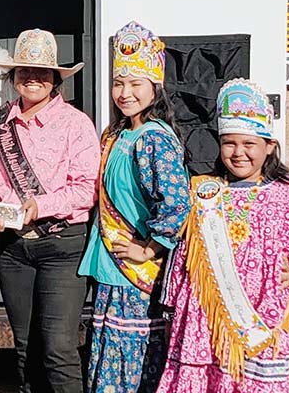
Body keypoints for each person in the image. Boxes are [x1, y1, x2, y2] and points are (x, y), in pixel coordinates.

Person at [156, 79, 289, 393]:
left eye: (249, 144)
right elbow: (185, 254)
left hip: (261, 325)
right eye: (230, 143)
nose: (238, 153)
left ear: (269, 146)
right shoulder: (204, 191)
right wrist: (172, 302)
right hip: (204, 325)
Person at [0, 29, 99, 392]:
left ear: (55, 78)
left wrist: (39, 205)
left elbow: (86, 187)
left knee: (59, 348)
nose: (32, 78)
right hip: (13, 248)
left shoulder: (76, 123)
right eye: (24, 71)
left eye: (41, 72)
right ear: (13, 76)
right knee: (24, 347)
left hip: (62, 245)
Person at [78, 21, 191, 393]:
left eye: (135, 84)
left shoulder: (155, 138)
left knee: (132, 357)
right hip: (111, 265)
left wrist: (149, 247)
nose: (124, 93)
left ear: (155, 87)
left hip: (138, 273)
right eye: (118, 83)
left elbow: (177, 204)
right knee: (109, 349)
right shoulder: (116, 133)